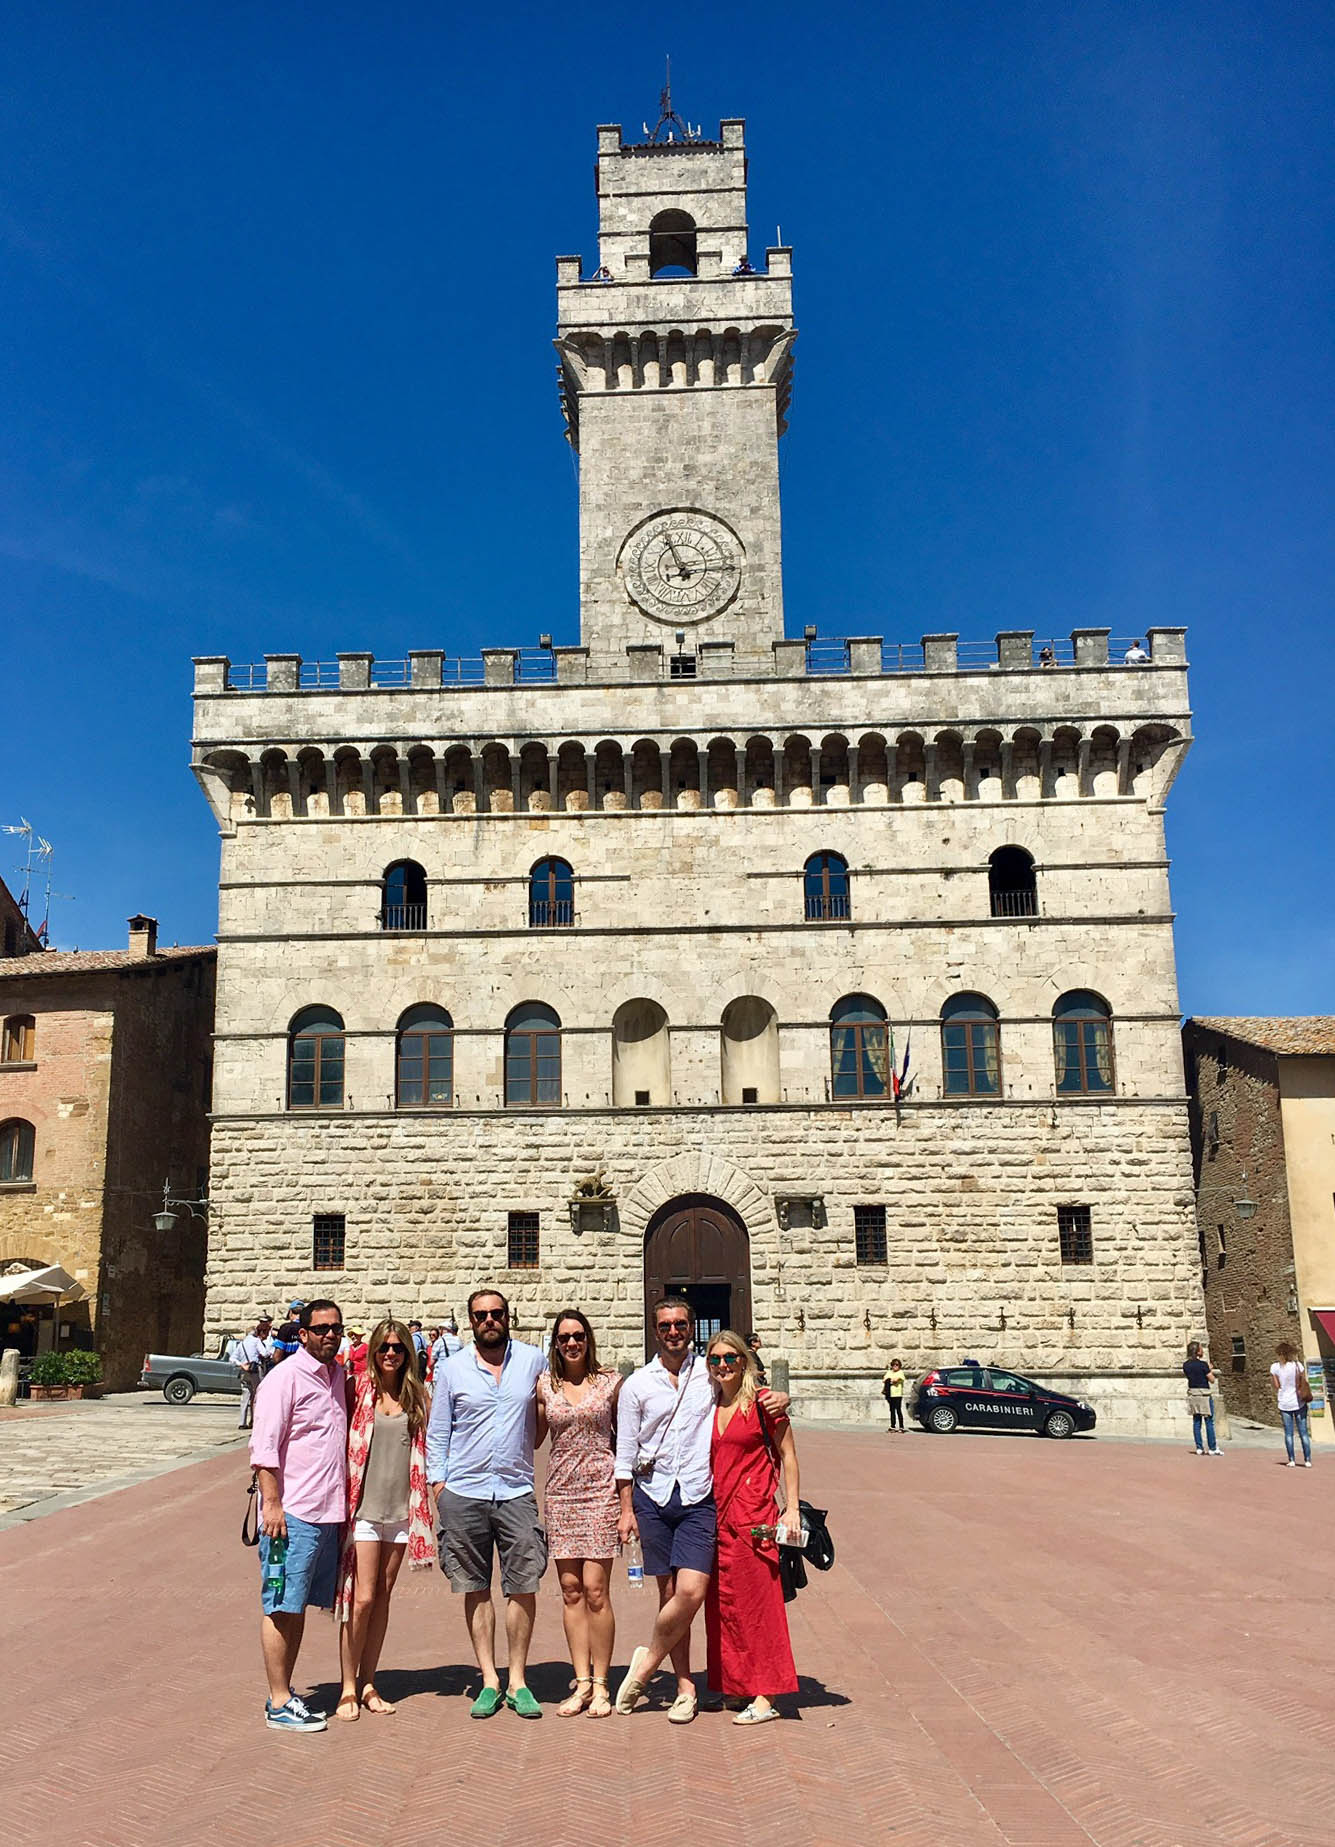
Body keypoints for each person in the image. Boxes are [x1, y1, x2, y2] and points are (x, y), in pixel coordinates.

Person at [614, 1298, 788, 1723]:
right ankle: (686, 1688)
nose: (673, 1331)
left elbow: (744, 1386)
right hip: (652, 1498)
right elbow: (624, 1453)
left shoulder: (707, 1375)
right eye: (665, 1325)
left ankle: (647, 1661)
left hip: (697, 1498)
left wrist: (781, 1396)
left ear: (690, 1328)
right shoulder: (637, 1384)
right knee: (670, 1595)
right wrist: (625, 1510)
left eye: (680, 1324)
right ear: (655, 1330)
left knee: (692, 1593)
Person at [427, 1289, 550, 1718]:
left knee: (524, 1584)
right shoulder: (451, 1369)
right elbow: (438, 1430)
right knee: (474, 1586)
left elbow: (544, 1416)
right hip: (464, 1491)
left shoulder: (534, 1361)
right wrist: (438, 1486)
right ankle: (489, 1679)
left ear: (508, 1317)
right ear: (470, 1321)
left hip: (515, 1490)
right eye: (481, 1315)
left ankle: (517, 1680)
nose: (490, 1320)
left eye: (497, 1313)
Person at [249, 1299, 348, 1732]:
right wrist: (272, 1506)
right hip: (289, 1517)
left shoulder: (338, 1377)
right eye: (321, 1328)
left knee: (298, 1606)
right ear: (302, 1333)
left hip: (328, 1515)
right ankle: (278, 1701)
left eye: (336, 1328)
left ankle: (286, 1692)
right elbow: (264, 1450)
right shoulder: (282, 1380)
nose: (330, 1335)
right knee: (280, 1605)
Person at [334, 1318, 435, 1720]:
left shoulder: (418, 1396)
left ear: (408, 1353)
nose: (390, 1354)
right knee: (361, 1599)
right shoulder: (357, 1389)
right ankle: (346, 1686)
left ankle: (370, 1681)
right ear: (373, 1352)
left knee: (382, 1599)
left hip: (402, 1512)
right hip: (364, 1511)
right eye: (384, 1348)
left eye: (397, 1348)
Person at [703, 1329, 801, 1725]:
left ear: (745, 1360)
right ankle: (736, 1686)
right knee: (724, 1605)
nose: (723, 1365)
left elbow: (789, 1456)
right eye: (715, 1360)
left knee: (759, 1608)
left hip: (755, 1517)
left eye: (730, 1358)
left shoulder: (763, 1404)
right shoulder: (708, 1405)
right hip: (717, 1518)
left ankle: (766, 1694)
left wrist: (791, 1509)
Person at [538, 1308, 622, 1718]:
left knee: (596, 1591)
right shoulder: (544, 1385)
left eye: (578, 1336)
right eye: (564, 1337)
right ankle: (582, 1681)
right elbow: (531, 1435)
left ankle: (603, 1683)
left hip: (601, 1492)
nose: (572, 1342)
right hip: (561, 1494)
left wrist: (629, 1503)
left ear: (588, 1339)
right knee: (570, 1590)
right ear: (555, 1343)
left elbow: (629, 1437)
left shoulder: (611, 1383)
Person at [1271, 1341, 1312, 1466]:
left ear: (1280, 1354)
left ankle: (1292, 1460)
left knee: (1288, 1433)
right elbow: (1302, 1382)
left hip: (1284, 1403)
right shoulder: (1297, 1365)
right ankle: (1307, 1460)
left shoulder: (1275, 1367)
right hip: (1298, 1401)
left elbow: (1277, 1386)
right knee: (1303, 1432)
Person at [234, 1314, 274, 1430]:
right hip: (256, 1371)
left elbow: (233, 1358)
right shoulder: (256, 1341)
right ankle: (255, 1421)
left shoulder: (241, 1344)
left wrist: (242, 1365)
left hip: (244, 1371)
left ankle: (242, 1422)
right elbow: (265, 1353)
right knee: (257, 1396)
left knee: (245, 1397)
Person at [1182, 1341, 1221, 1456]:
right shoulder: (1203, 1365)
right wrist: (1209, 1369)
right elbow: (1212, 1379)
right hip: (1204, 1394)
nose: (1202, 1350)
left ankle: (1199, 1447)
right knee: (1209, 1421)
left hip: (1193, 1394)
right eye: (1201, 1348)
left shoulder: (1186, 1365)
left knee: (1196, 1421)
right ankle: (1212, 1448)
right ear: (1198, 1351)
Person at [882, 1357, 906, 1432]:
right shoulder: (889, 1372)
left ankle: (901, 1427)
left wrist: (890, 1380)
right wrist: (890, 1381)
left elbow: (896, 1380)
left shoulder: (900, 1372)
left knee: (898, 1410)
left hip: (897, 1394)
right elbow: (884, 1380)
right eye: (894, 1365)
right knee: (892, 1410)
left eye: (897, 1365)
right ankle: (893, 1426)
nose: (895, 1366)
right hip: (890, 1394)